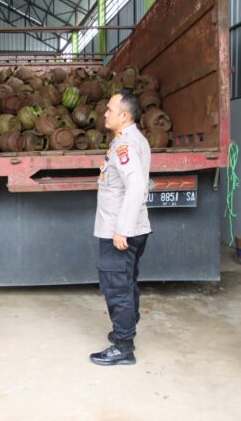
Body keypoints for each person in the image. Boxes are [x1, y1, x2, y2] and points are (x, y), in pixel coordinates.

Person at [90, 90, 152, 366]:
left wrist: (121, 229)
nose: (105, 113)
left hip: (120, 231)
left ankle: (123, 346)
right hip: (129, 228)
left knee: (117, 287)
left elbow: (136, 185)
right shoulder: (129, 141)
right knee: (125, 284)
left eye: (110, 109)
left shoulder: (125, 145)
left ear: (124, 116)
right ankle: (125, 333)